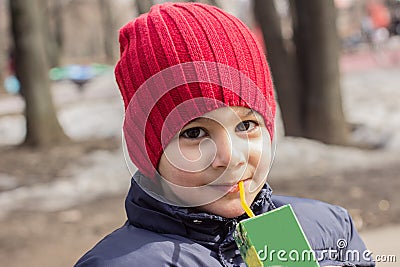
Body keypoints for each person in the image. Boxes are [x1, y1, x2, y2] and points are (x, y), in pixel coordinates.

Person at [75, 3, 374, 267]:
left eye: (246, 125)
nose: (230, 157)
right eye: (194, 132)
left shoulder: (330, 231)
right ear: (148, 152)